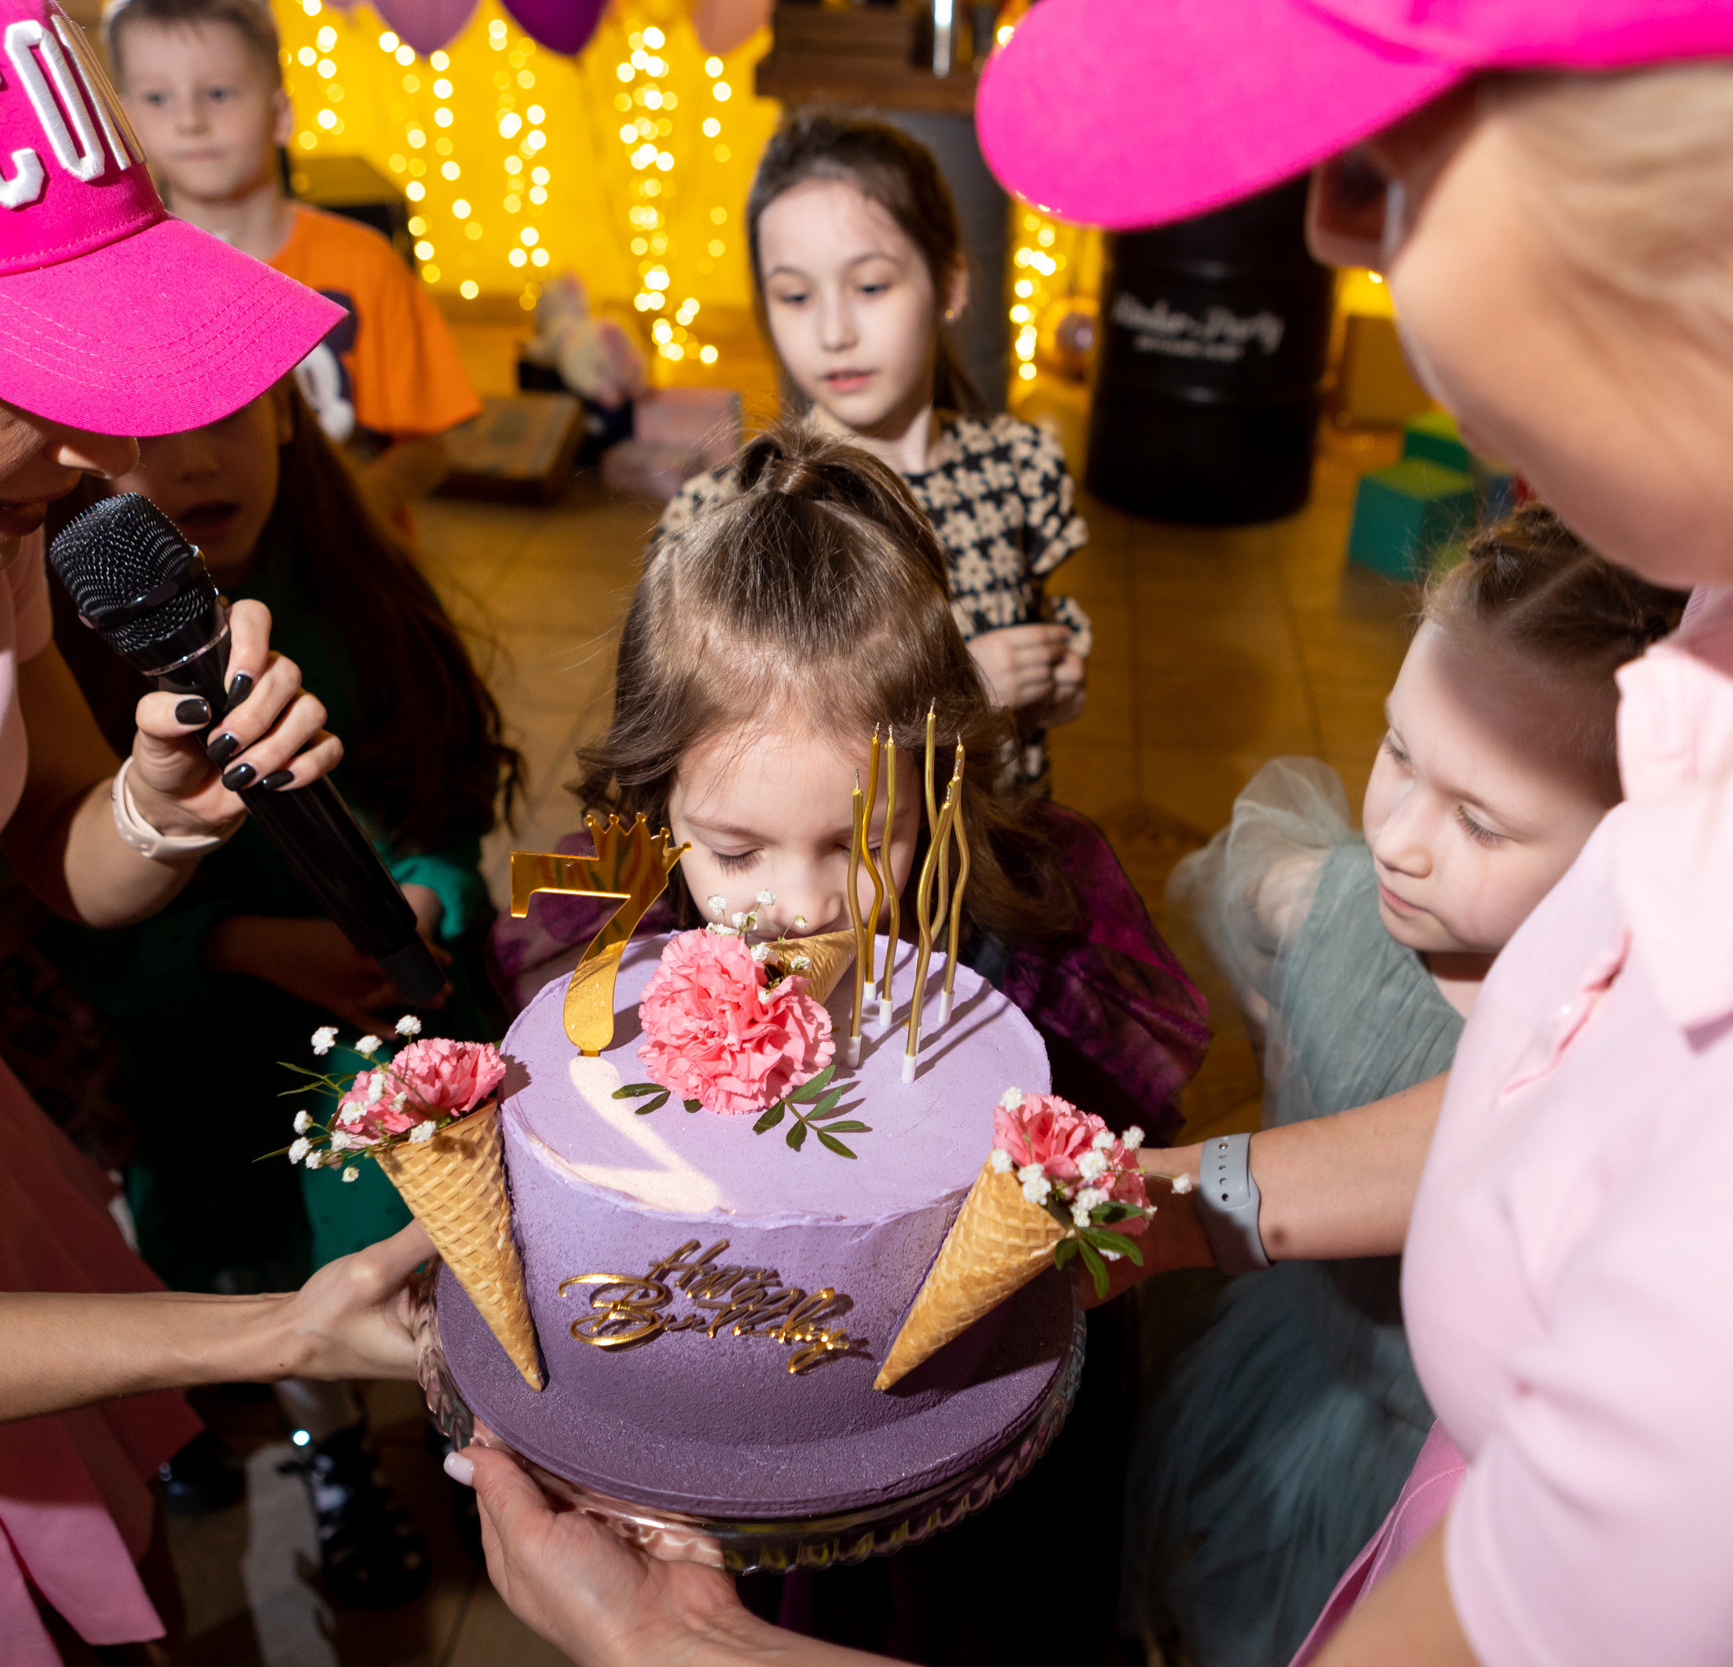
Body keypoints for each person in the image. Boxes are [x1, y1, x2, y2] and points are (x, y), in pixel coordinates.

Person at [453, 0, 1733, 1663]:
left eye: (1388, 162)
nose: (1324, 234)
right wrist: (1118, 1206)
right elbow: (1573, 1093)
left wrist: (676, 1646)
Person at [0, 1, 420, 1659]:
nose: (105, 446)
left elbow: (55, 849)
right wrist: (281, 1322)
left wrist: (155, 806)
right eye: (17, 368)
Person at [491, 423, 1207, 1662]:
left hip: (963, 1448)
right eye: (734, 849)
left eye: (864, 838)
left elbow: (1100, 1204)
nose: (804, 901)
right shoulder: (602, 919)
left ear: (939, 782)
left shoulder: (1040, 924)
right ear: (655, 794)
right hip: (728, 1443)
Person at [1127, 507, 1685, 1666]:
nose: (1397, 840)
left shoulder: (1625, 1061)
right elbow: (1258, 919)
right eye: (1395, 753)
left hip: (1410, 1460)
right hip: (1283, 1364)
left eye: (1479, 820)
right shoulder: (1330, 898)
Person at [45, 378, 524, 1606]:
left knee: (439, 1267)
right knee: (284, 1289)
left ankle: (482, 1456)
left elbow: (446, 807)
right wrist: (248, 944)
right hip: (218, 1081)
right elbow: (66, 925)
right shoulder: (66, 661)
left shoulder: (365, 596)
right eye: (149, 434)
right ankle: (335, 1460)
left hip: (392, 1049)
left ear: (292, 421)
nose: (199, 461)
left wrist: (417, 899)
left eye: (226, 418)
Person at [655, 113, 1091, 793]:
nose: (833, 331)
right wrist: (963, 691)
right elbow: (722, 744)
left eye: (870, 286)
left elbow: (1031, 656)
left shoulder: (1018, 466)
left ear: (949, 284)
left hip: (1002, 859)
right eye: (795, 296)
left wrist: (1053, 685)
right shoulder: (725, 513)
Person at [105, 0, 482, 528]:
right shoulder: (114, 279)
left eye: (218, 93)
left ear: (280, 114)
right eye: (158, 98)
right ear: (128, 121)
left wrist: (336, 522)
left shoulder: (364, 262)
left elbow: (426, 448)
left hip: (345, 584)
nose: (189, 121)